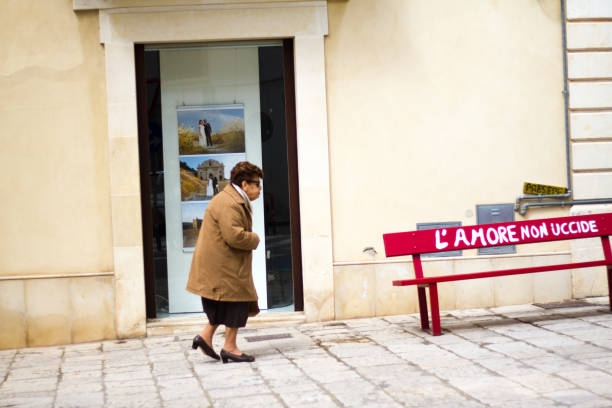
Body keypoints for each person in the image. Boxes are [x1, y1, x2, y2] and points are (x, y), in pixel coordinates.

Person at [187, 161, 264, 363]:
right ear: (245, 184)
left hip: (221, 263)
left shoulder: (232, 198)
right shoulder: (230, 203)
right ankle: (229, 347)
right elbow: (234, 236)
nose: (259, 189)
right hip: (224, 266)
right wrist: (255, 238)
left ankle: (205, 337)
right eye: (257, 184)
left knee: (225, 303)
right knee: (236, 302)